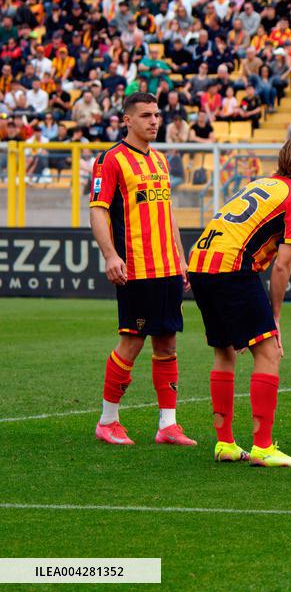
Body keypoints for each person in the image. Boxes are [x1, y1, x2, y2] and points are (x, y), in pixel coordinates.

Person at [187, 138, 291, 467]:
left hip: (200, 262)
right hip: (232, 266)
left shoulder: (263, 184)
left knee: (224, 351)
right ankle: (263, 447)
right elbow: (282, 265)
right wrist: (276, 318)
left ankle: (225, 443)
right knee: (268, 352)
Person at [89, 92, 195, 447]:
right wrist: (110, 255)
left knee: (167, 343)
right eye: (146, 115)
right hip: (135, 267)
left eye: (157, 115)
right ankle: (107, 421)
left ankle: (168, 424)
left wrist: (180, 258)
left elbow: (167, 215)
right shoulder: (111, 160)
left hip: (166, 267)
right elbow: (98, 209)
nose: (154, 120)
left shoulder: (161, 160)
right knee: (131, 342)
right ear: (127, 120)